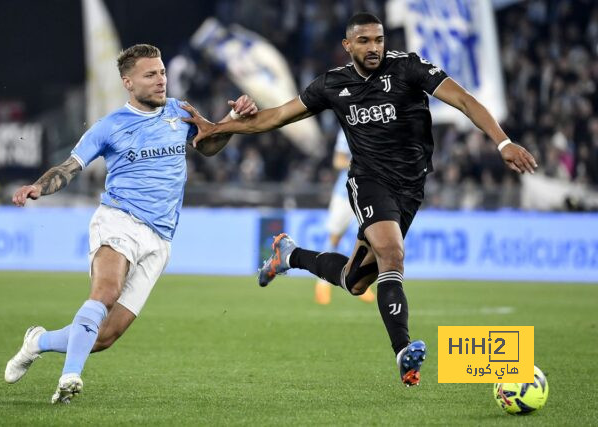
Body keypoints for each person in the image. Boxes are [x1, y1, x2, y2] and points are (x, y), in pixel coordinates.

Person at [182, 13, 537, 386]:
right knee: (392, 253)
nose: (374, 48)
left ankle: (289, 255)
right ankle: (403, 351)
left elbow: (463, 100)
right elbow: (277, 117)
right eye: (364, 41)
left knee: (355, 281)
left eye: (378, 40)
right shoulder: (333, 85)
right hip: (368, 181)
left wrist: (503, 141)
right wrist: (219, 127)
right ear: (347, 46)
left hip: (411, 188)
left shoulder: (409, 68)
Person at [4, 44, 257, 403]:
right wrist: (37, 187)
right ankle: (69, 377)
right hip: (119, 220)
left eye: (163, 72)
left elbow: (209, 144)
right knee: (104, 294)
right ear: (128, 82)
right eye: (150, 75)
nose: (161, 80)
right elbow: (69, 168)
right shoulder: (109, 127)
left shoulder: (180, 111)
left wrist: (234, 124)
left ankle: (38, 341)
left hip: (161, 238)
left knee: (104, 337)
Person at [314, 129, 375, 305]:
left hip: (370, 193)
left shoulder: (378, 124)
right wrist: (361, 164)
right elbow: (338, 160)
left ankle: (360, 281)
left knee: (370, 238)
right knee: (334, 237)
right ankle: (322, 283)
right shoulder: (347, 128)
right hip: (346, 192)